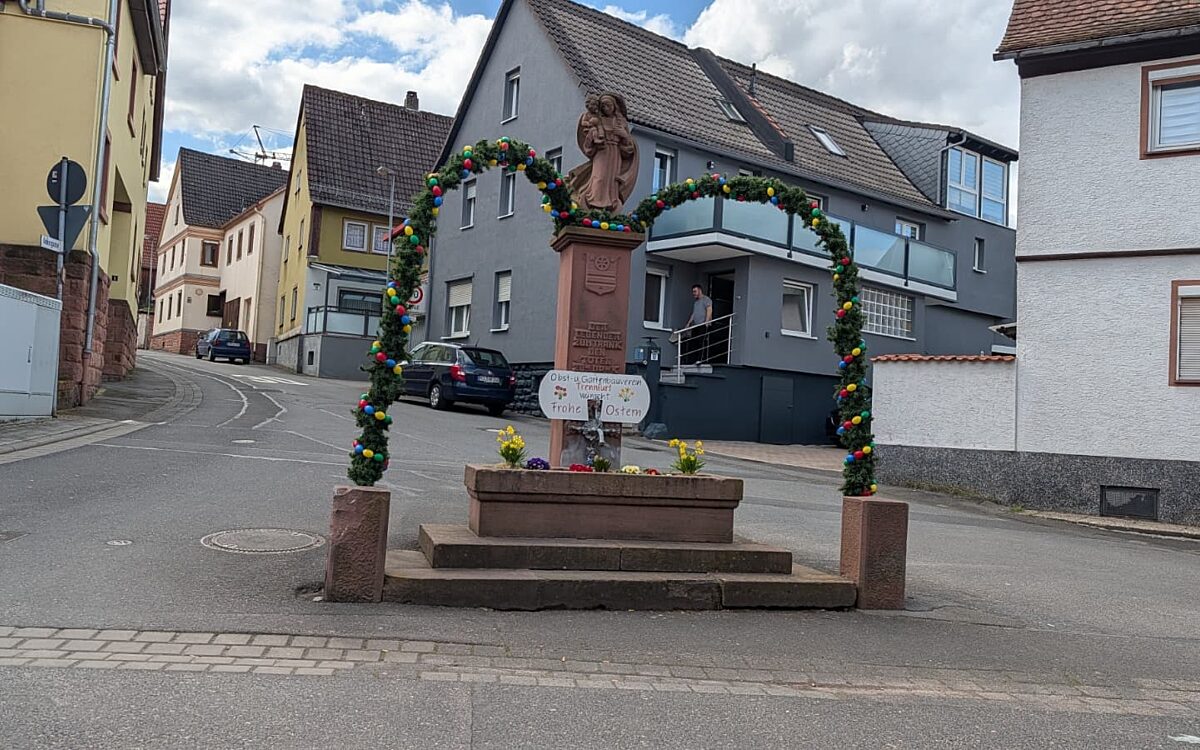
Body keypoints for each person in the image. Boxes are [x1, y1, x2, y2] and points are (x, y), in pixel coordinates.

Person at [681, 284, 712, 365]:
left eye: (695, 291)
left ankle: (700, 360)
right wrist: (688, 323)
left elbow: (709, 310)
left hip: (703, 325)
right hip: (696, 325)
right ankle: (692, 361)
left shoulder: (706, 299)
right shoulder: (696, 303)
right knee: (694, 342)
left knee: (701, 341)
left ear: (700, 290)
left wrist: (707, 321)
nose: (693, 293)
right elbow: (694, 314)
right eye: (693, 292)